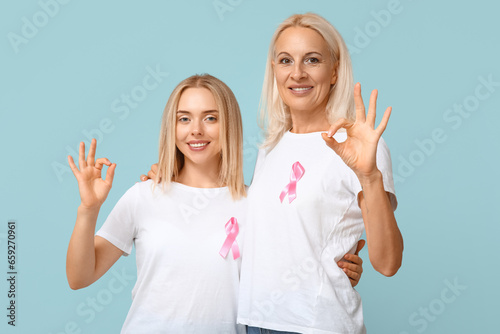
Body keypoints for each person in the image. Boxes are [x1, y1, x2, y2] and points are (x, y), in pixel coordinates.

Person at [235, 13, 404, 334]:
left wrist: (369, 176)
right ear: (274, 70)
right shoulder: (270, 146)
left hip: (315, 324)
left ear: (334, 70)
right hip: (253, 321)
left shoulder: (358, 145)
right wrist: (171, 179)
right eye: (286, 60)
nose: (297, 73)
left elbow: (387, 262)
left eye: (312, 60)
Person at [66, 74, 248, 333]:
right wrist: (88, 210)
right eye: (184, 118)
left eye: (210, 118)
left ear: (230, 125)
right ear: (171, 128)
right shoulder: (143, 196)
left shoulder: (255, 204)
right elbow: (79, 277)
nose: (196, 129)